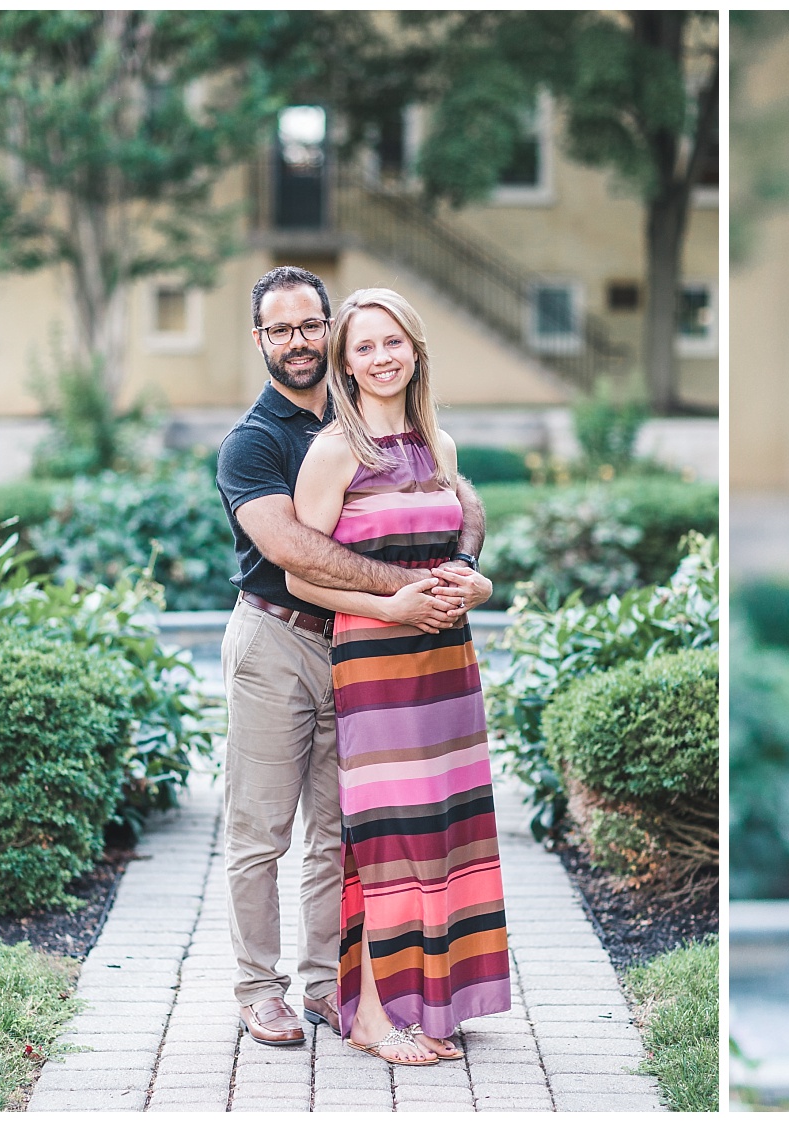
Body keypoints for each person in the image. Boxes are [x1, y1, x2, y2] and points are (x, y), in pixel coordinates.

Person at [216, 267, 491, 1048]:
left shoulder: (367, 414)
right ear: (262, 339)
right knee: (261, 829)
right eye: (281, 329)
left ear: (328, 331)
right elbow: (291, 546)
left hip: (362, 650)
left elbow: (460, 499)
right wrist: (404, 591)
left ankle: (323, 987)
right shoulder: (256, 442)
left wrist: (460, 566)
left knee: (343, 833)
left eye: (310, 325)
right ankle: (257, 988)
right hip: (279, 640)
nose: (298, 341)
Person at [285, 287, 512, 1066]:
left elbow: (453, 549)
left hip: (448, 661)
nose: (381, 358)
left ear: (415, 348)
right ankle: (375, 1015)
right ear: (344, 366)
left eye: (393, 343)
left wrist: (474, 584)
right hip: (377, 661)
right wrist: (391, 606)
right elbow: (302, 578)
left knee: (447, 829)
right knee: (388, 833)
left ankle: (438, 999)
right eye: (364, 348)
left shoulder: (437, 446)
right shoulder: (333, 452)